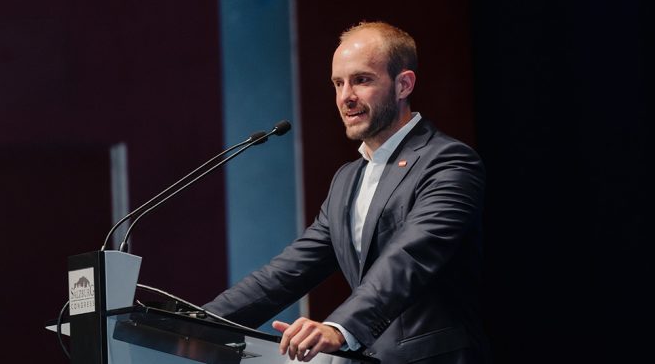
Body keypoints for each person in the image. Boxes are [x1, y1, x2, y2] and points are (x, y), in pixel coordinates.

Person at [204, 21, 489, 363]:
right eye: (338, 83)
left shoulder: (448, 162)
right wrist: (199, 320)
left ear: (403, 85)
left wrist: (340, 327)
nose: (345, 97)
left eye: (361, 80)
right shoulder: (347, 179)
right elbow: (289, 271)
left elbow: (408, 258)